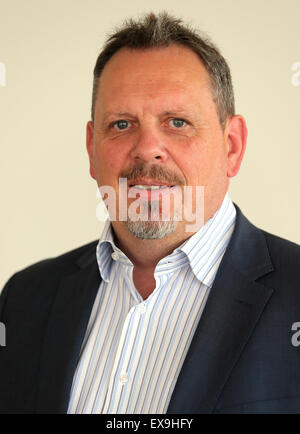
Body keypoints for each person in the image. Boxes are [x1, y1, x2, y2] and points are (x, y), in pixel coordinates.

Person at [0, 12, 300, 415]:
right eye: (121, 124)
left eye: (178, 122)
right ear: (92, 149)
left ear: (231, 146)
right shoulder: (24, 300)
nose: (147, 148)